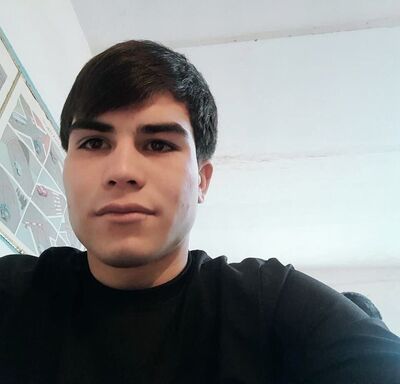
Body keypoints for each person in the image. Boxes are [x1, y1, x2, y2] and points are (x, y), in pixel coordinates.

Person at [0, 40, 399, 384]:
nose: (121, 171)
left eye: (158, 144)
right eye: (93, 143)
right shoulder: (14, 295)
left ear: (202, 180)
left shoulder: (273, 306)